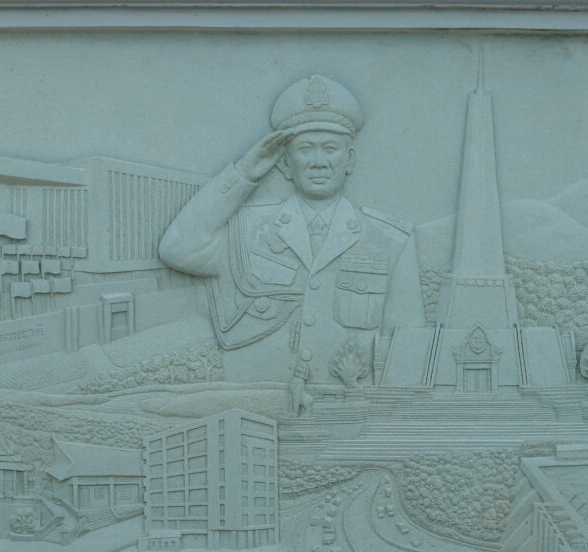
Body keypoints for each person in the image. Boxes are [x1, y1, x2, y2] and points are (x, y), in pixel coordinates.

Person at [159, 74, 425, 384]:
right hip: (256, 406)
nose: (318, 162)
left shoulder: (391, 241)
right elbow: (177, 249)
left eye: (330, 148)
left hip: (348, 404)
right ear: (284, 164)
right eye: (305, 149)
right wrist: (244, 174)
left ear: (350, 160)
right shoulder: (247, 227)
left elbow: (408, 349)